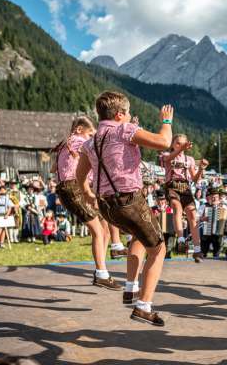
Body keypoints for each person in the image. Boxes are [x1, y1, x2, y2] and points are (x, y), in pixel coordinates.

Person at [77, 91, 173, 326]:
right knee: (158, 249)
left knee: (140, 237)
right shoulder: (124, 130)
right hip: (130, 201)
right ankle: (143, 306)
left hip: (107, 206)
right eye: (128, 113)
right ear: (120, 114)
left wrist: (88, 194)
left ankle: (130, 288)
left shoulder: (91, 141)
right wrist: (167, 122)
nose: (130, 117)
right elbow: (164, 142)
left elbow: (79, 176)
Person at [53, 115, 122, 290]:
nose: (91, 138)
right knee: (98, 231)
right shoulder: (76, 140)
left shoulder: (66, 145)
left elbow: (54, 168)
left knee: (105, 224)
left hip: (75, 187)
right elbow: (94, 150)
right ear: (78, 130)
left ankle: (109, 256)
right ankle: (101, 273)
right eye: (90, 134)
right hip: (72, 188)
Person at [159, 134, 209, 262]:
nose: (180, 145)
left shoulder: (190, 159)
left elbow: (195, 179)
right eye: (177, 143)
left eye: (182, 143)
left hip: (186, 187)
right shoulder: (165, 155)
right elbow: (168, 160)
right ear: (172, 144)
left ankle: (197, 250)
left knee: (193, 216)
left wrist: (201, 169)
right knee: (177, 207)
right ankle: (181, 239)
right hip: (172, 186)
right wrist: (181, 149)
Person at [198, 187, 227, 258]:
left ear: (219, 197)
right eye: (212, 197)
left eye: (216, 197)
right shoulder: (203, 206)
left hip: (218, 232)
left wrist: (226, 223)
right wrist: (202, 218)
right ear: (209, 198)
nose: (214, 199)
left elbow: (226, 218)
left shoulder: (223, 206)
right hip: (206, 232)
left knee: (217, 252)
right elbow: (196, 217)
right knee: (203, 251)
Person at [0, 185, 14, 249]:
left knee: (4, 230)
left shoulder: (7, 198)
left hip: (4, 215)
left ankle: (2, 243)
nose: (2, 191)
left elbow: (10, 207)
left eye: (3, 190)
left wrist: (7, 214)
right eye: (1, 190)